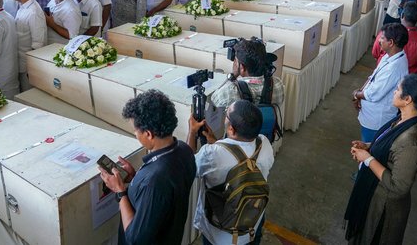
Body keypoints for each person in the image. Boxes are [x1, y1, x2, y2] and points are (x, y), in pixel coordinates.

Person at [345, 74, 417, 245]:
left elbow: (398, 187)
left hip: (384, 207)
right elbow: (391, 145)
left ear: (407, 99)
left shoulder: (411, 142)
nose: (394, 92)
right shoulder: (403, 119)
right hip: (374, 194)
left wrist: (367, 159)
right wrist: (369, 146)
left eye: (397, 90)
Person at [99, 89, 196, 245]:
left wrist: (120, 192)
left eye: (136, 131)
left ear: (149, 134)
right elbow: (165, 196)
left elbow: (135, 239)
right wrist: (136, 176)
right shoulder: (185, 151)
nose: (135, 135)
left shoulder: (155, 180)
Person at [187, 99, 274, 245]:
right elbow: (237, 155)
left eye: (226, 115)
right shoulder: (264, 144)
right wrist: (215, 141)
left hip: (220, 235)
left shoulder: (212, 154)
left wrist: (192, 132)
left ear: (231, 129)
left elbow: (187, 166)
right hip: (252, 223)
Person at [352, 23, 409, 142]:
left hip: (376, 119)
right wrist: (360, 93)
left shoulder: (393, 68)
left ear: (391, 42)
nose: (379, 41)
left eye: (382, 38)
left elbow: (373, 94)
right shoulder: (389, 56)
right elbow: (372, 76)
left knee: (369, 148)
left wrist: (357, 94)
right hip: (369, 112)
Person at [210, 38, 285, 110]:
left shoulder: (228, 92)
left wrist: (232, 76)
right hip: (269, 123)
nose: (234, 63)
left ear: (242, 67)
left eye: (235, 61)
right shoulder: (278, 84)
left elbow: (214, 100)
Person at [372, 2, 417, 74]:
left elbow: (375, 54)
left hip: (385, 73)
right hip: (408, 78)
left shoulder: (385, 33)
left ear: (402, 15)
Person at [11, 0, 46, 92]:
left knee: (29, 92)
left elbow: (38, 43)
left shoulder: (33, 12)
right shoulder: (24, 6)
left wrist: (31, 68)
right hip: (21, 60)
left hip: (28, 65)